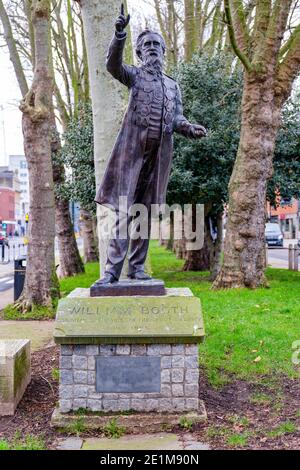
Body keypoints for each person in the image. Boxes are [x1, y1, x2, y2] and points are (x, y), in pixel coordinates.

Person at [95, 4, 207, 284]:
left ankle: (137, 268)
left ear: (164, 51)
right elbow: (112, 65)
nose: (153, 47)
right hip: (131, 156)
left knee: (143, 214)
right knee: (122, 213)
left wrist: (189, 128)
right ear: (140, 51)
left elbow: (177, 116)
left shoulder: (173, 86)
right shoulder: (133, 75)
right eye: (147, 44)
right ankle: (111, 272)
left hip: (158, 158)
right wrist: (120, 34)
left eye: (157, 44)